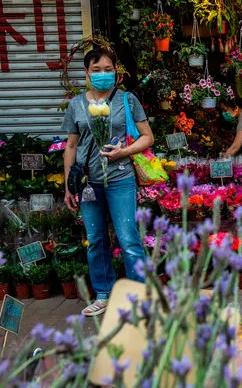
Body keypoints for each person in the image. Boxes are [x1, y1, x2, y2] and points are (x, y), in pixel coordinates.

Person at [62, 47, 154, 316]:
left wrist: (123, 152)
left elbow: (147, 136)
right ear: (86, 73)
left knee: (128, 239)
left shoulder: (127, 99)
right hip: (89, 182)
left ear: (116, 71)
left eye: (107, 69)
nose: (102, 74)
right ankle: (103, 293)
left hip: (120, 178)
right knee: (96, 239)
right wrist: (69, 184)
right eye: (96, 70)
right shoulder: (76, 104)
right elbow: (70, 146)